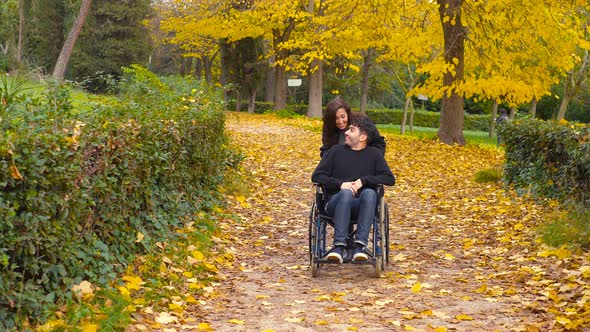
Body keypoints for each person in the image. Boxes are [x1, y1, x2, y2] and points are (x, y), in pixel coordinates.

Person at [311, 116, 395, 263]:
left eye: (351, 130)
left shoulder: (374, 155)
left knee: (369, 192)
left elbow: (389, 178)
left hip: (362, 207)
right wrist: (340, 184)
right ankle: (339, 247)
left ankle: (359, 247)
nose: (346, 133)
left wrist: (364, 181)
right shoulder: (335, 151)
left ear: (362, 137)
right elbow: (317, 176)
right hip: (334, 204)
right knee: (346, 193)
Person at [320, 97, 386, 157]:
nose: (340, 121)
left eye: (343, 117)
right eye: (336, 118)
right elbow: (325, 149)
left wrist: (371, 160)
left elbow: (379, 144)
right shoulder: (329, 126)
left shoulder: (362, 121)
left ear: (347, 113)